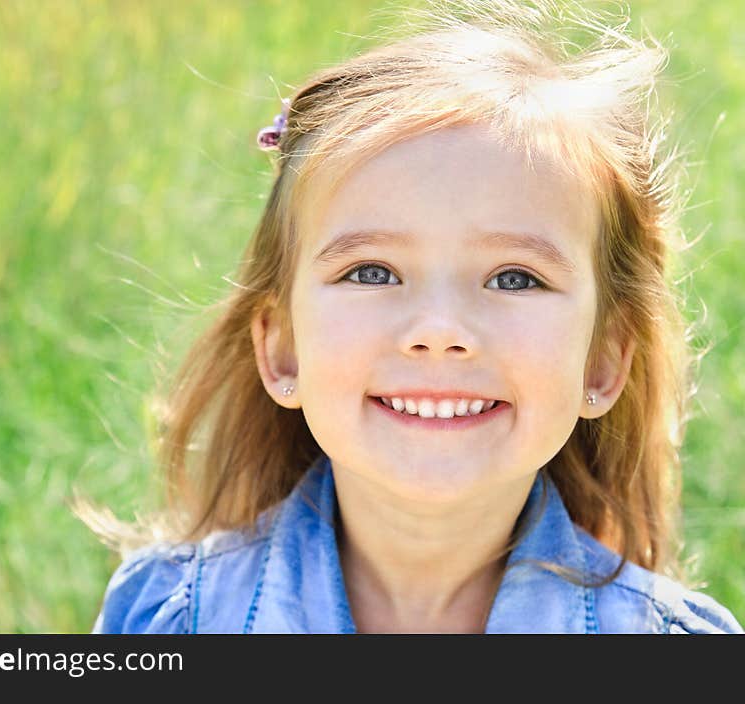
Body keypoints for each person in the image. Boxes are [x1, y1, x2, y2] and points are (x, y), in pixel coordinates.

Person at [88, 0, 743, 633]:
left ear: (602, 362)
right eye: (371, 272)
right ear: (283, 349)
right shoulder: (167, 619)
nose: (440, 329)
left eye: (515, 278)